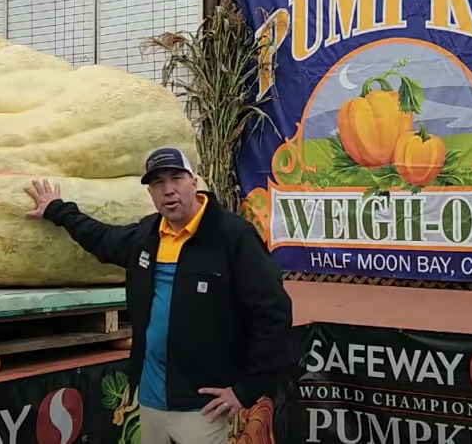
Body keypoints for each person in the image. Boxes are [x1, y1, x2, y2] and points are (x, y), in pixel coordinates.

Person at [25, 147, 293, 444]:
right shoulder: (147, 236)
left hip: (202, 405)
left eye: (176, 178)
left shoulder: (232, 236)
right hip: (150, 400)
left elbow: (274, 311)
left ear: (194, 182)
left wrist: (247, 389)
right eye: (157, 183)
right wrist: (56, 210)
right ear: (151, 192)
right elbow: (101, 238)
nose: (168, 190)